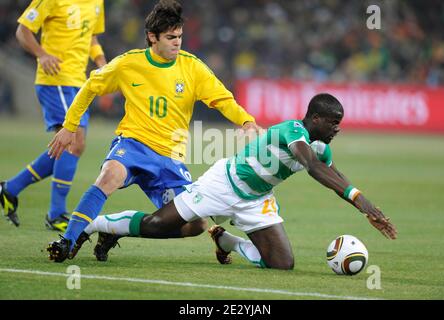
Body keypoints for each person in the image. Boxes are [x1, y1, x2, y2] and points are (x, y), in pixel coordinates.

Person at [48, 93, 397, 268]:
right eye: (333, 122)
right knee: (158, 225)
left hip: (257, 199)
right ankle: (98, 225)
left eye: (340, 123)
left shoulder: (321, 147)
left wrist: (365, 205)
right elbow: (315, 169)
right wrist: (359, 200)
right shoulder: (292, 130)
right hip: (223, 185)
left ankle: (227, 242)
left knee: (282, 264)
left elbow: (333, 173)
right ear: (316, 118)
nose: (338, 128)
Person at [46, 0, 262, 262]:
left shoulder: (192, 67)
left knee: (196, 225)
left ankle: (113, 227)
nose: (177, 43)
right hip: (133, 144)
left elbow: (222, 99)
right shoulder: (128, 64)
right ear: (152, 37)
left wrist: (247, 121)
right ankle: (67, 241)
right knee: (109, 176)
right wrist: (70, 127)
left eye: (180, 36)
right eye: (170, 37)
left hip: (171, 157)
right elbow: (91, 85)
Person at [0, 0, 106, 231]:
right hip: (56, 79)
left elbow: (91, 38)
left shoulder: (97, 2)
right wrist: (42, 55)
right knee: (73, 142)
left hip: (79, 83)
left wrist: (101, 62)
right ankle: (56, 214)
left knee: (73, 145)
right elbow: (23, 30)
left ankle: (10, 189)